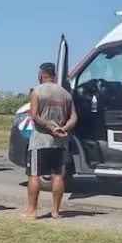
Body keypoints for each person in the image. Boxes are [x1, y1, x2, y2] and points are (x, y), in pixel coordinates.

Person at [21, 61, 78, 220]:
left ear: (40, 76)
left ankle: (32, 211)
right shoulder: (66, 94)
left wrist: (50, 128)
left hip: (40, 141)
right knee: (58, 176)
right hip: (59, 143)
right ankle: (55, 211)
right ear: (54, 76)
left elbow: (34, 115)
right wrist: (63, 129)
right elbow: (74, 117)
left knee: (34, 175)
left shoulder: (37, 91)